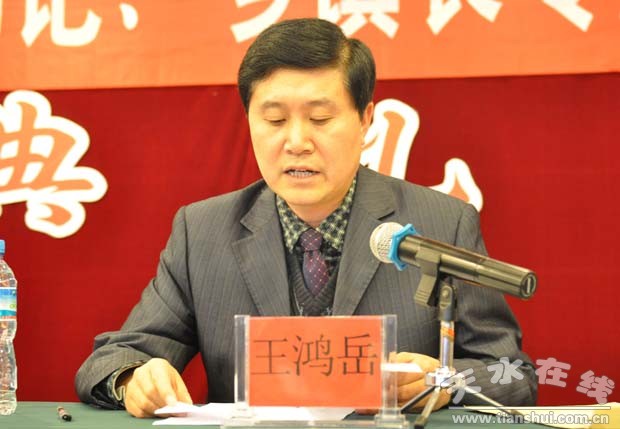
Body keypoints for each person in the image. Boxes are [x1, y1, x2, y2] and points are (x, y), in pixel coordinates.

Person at [75, 18, 537, 418]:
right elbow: (113, 359)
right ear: (249, 121)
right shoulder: (203, 232)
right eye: (275, 121)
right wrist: (133, 379)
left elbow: (513, 374)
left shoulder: (441, 222)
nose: (296, 142)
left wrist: (444, 382)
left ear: (365, 120)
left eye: (320, 119)